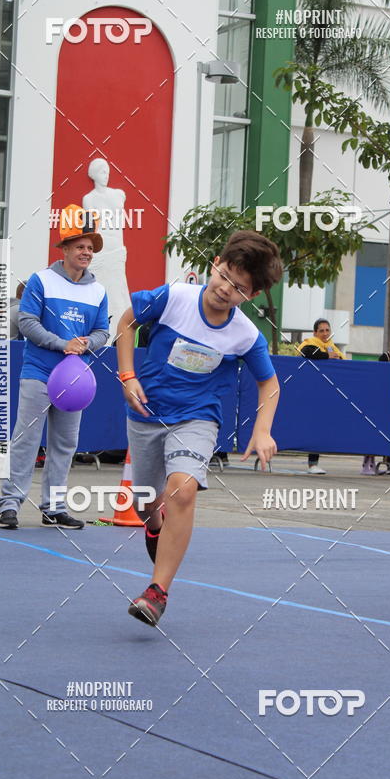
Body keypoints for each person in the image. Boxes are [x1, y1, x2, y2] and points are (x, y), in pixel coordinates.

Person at [117, 230, 283, 627]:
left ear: (251, 296)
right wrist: (127, 376)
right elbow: (126, 322)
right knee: (145, 504)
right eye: (224, 276)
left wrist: (262, 431)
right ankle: (155, 528)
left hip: (197, 418)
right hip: (146, 414)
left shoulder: (244, 334)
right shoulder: (174, 297)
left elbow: (270, 384)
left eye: (239, 288)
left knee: (182, 489)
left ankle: (156, 593)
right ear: (214, 265)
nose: (225, 289)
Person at [0, 210, 108, 529]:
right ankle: (9, 504)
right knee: (26, 439)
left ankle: (54, 507)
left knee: (65, 444)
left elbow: (103, 331)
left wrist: (89, 343)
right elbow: (27, 322)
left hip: (75, 380)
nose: (86, 252)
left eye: (90, 247)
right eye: (80, 246)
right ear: (65, 248)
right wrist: (63, 343)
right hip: (39, 373)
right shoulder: (40, 280)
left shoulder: (98, 291)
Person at [82, 157, 131, 340]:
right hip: (101, 253)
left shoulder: (119, 194)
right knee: (100, 291)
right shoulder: (89, 198)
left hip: (117, 251)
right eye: (102, 171)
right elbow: (90, 225)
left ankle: (123, 334)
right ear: (93, 174)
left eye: (108, 172)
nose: (106, 175)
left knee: (119, 292)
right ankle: (101, 332)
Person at [297, 318, 346, 474]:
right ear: (315, 333)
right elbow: (306, 353)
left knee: (317, 427)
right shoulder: (309, 344)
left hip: (324, 394)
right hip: (306, 392)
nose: (325, 333)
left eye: (327, 330)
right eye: (321, 330)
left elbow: (343, 362)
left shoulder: (333, 348)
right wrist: (327, 356)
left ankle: (313, 463)